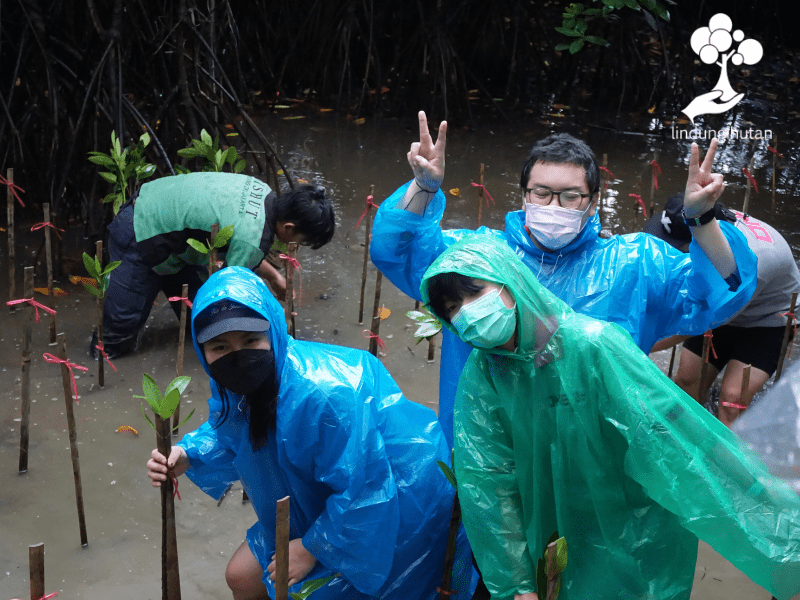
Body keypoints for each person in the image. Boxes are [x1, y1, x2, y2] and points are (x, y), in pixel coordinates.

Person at [420, 234, 800, 600]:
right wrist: (515, 584)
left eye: (475, 292)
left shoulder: (594, 346)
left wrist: (778, 533)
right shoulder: (483, 375)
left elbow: (676, 445)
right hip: (547, 533)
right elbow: (488, 484)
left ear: (510, 280)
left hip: (629, 525)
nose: (467, 311)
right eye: (452, 308)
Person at [370, 111, 757, 447]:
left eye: (570, 196)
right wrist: (422, 188)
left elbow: (723, 290)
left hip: (591, 454)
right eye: (541, 193)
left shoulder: (634, 265)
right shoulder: (479, 258)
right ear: (524, 196)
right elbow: (397, 251)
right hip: (490, 450)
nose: (553, 206)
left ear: (592, 202)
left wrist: (702, 220)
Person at [146, 266, 473, 600]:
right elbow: (232, 430)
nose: (238, 356)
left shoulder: (323, 395)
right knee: (241, 576)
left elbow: (366, 489)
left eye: (250, 340)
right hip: (330, 500)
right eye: (219, 346)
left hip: (399, 511)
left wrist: (313, 547)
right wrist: (187, 454)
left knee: (309, 592)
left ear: (273, 332)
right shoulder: (235, 387)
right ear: (204, 352)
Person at [97, 172, 335, 358]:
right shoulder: (253, 240)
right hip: (141, 230)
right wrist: (275, 317)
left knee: (203, 320)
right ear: (289, 228)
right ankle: (98, 366)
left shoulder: (262, 191)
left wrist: (274, 277)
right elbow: (233, 292)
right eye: (301, 242)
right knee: (118, 333)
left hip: (171, 234)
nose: (297, 247)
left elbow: (241, 245)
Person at [644, 193, 800, 426]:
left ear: (700, 242)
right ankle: (690, 438)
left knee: (731, 401)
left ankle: (722, 458)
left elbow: (694, 324)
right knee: (686, 381)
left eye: (677, 249)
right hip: (724, 300)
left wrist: (639, 342)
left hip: (767, 320)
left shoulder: (750, 262)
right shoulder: (706, 219)